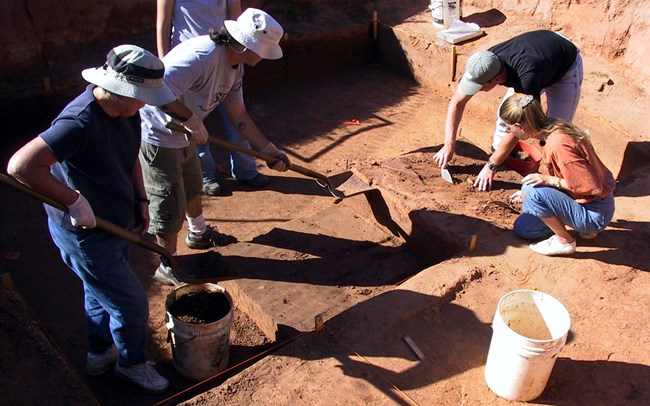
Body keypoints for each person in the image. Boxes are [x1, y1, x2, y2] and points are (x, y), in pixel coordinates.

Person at [6, 45, 174, 393]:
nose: (143, 104)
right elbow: (20, 166)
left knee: (98, 293)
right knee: (131, 305)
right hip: (85, 232)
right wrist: (73, 201)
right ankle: (131, 365)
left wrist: (141, 200)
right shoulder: (78, 122)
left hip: (115, 222)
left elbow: (130, 158)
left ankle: (100, 353)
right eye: (139, 97)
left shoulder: (126, 113)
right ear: (117, 89)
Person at [141, 8, 290, 286]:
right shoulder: (200, 58)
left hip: (186, 134)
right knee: (168, 202)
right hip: (159, 134)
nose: (264, 56)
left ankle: (198, 233)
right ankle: (167, 263)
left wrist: (268, 150)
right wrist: (189, 119)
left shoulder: (236, 67)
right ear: (247, 45)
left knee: (194, 185)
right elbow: (155, 90)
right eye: (263, 50)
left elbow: (239, 116)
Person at [433, 30, 584, 191]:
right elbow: (457, 102)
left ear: (496, 80)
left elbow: (520, 127)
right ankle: (504, 161)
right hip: (539, 55)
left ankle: (556, 184)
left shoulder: (525, 79)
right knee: (504, 116)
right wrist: (449, 144)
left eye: (479, 86)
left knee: (556, 132)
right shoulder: (485, 62)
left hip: (564, 65)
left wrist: (491, 166)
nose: (475, 90)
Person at [156, 0, 269, 195]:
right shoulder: (195, 58)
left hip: (226, 53)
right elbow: (163, 24)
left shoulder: (235, 63)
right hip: (192, 70)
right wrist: (164, 63)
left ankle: (245, 169)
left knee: (229, 118)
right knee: (193, 123)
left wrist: (269, 150)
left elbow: (239, 115)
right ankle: (205, 176)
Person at [502, 93, 615, 256]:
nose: (508, 130)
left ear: (520, 126)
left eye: (508, 127)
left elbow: (592, 186)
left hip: (595, 212)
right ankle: (581, 228)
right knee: (525, 229)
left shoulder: (558, 144)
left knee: (530, 188)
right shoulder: (552, 127)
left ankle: (565, 241)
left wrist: (546, 182)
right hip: (592, 203)